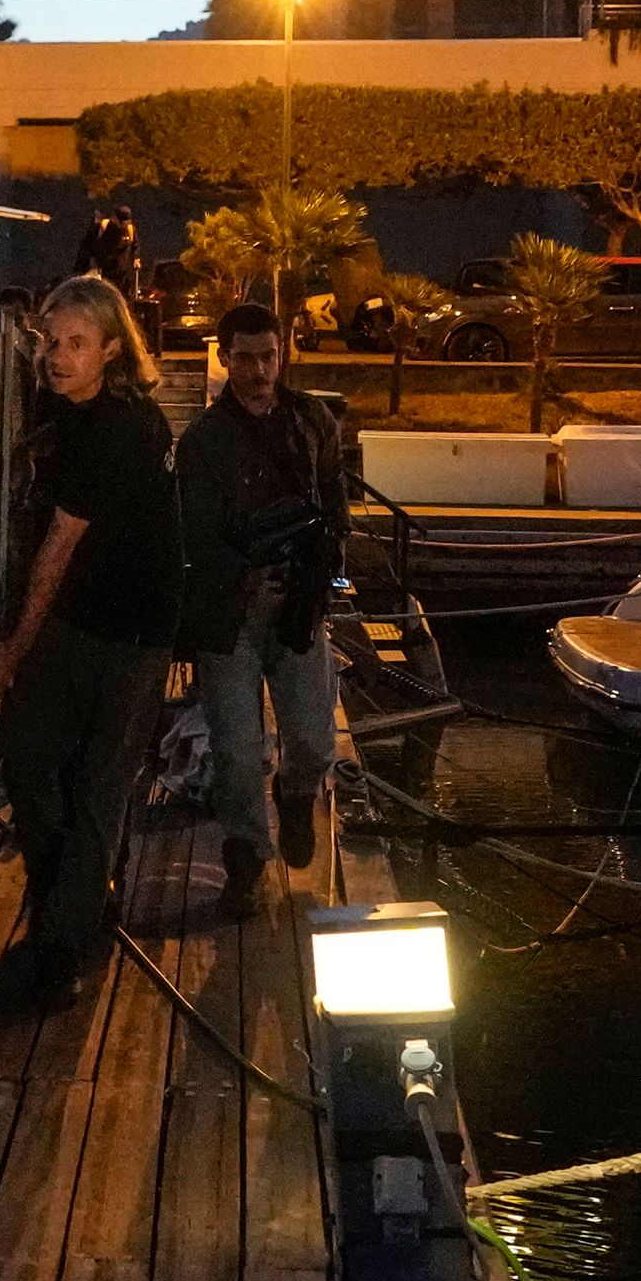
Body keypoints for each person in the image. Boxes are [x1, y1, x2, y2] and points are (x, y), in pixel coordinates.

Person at [0, 273, 180, 1009]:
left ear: (110, 349)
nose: (56, 356)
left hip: (131, 631)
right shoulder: (61, 410)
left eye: (75, 344)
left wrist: (12, 646)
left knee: (102, 782)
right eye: (48, 341)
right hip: (80, 618)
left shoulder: (122, 427)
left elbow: (59, 547)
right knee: (31, 759)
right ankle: (73, 900)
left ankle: (62, 945)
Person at [175, 302, 351, 919]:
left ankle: (298, 793)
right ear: (224, 357)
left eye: (269, 356)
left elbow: (335, 500)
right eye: (245, 357)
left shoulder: (312, 421)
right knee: (235, 749)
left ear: (284, 353)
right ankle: (245, 860)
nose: (258, 370)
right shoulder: (203, 440)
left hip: (298, 606)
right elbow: (195, 534)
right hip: (230, 614)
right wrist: (242, 572)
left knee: (313, 737)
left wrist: (321, 564)